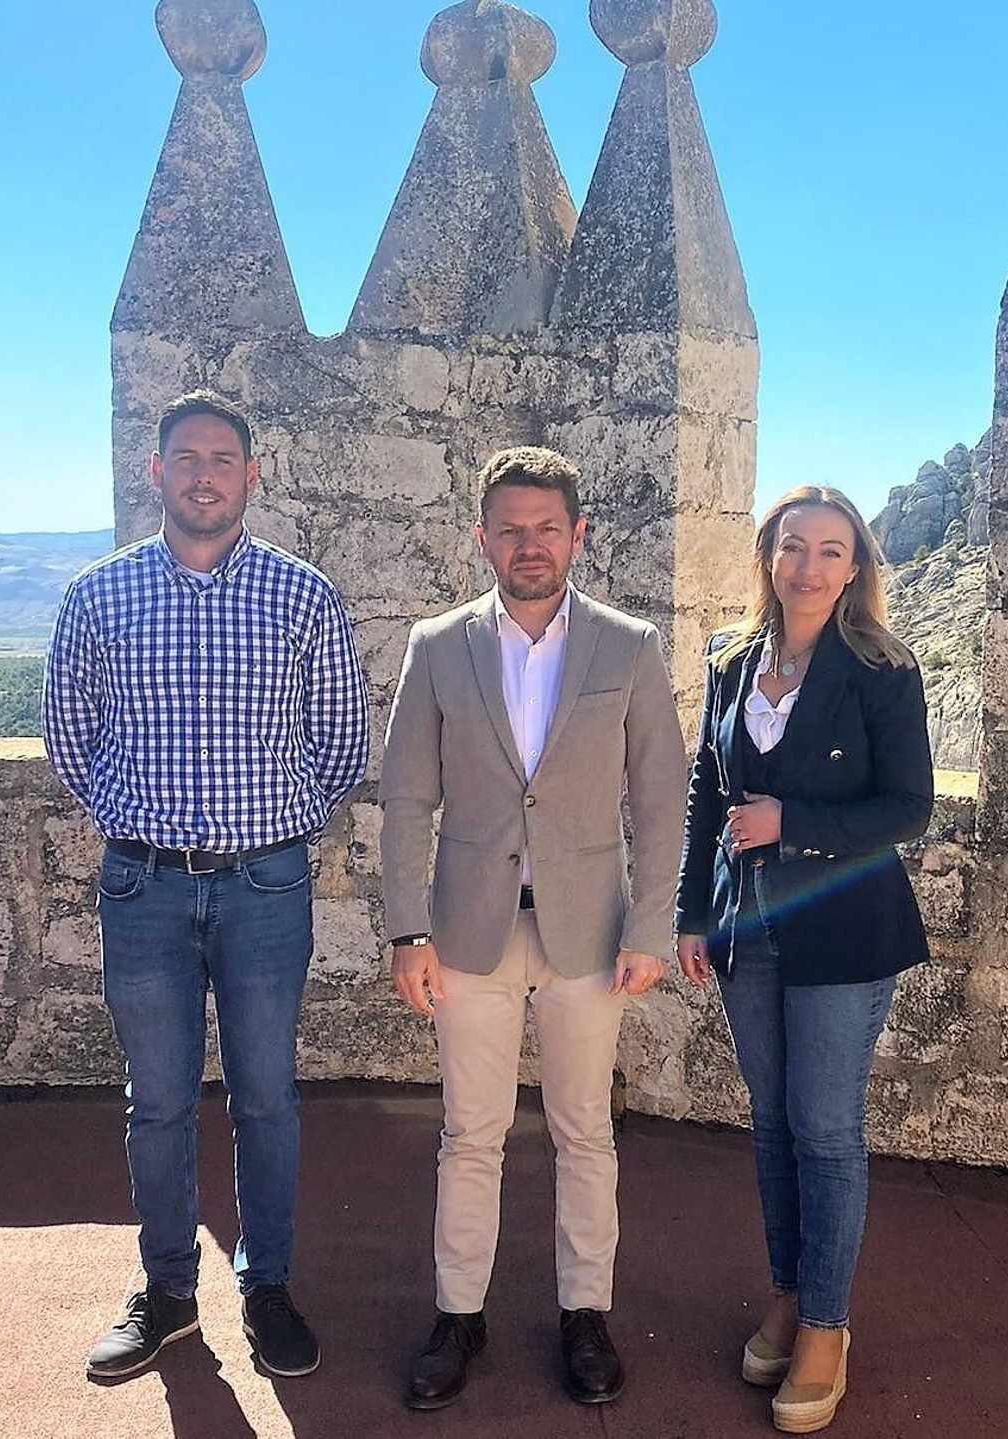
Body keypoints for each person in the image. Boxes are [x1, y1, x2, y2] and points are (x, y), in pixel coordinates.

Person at [43, 389, 368, 1381]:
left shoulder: (303, 596)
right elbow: (70, 739)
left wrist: (270, 823)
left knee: (267, 1096)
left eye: (223, 458)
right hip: (142, 887)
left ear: (251, 475)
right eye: (185, 456)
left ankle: (267, 1286)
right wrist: (136, 816)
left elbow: (341, 745)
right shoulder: (98, 597)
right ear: (156, 471)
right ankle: (169, 1291)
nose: (204, 474)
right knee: (157, 1102)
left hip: (266, 885)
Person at [379, 446, 687, 1410]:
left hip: (588, 934)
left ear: (578, 534)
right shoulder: (438, 645)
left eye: (547, 527)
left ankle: (584, 1313)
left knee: (584, 1130)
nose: (529, 544)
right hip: (467, 932)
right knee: (469, 1132)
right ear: (482, 537)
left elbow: (663, 798)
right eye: (510, 528)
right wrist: (405, 929)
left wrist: (650, 925)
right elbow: (405, 796)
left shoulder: (629, 646)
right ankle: (457, 1315)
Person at [675, 485, 933, 1435]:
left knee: (823, 1127)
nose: (808, 566)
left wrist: (793, 823)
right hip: (748, 929)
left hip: (843, 930)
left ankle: (827, 1326)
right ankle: (787, 1294)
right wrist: (691, 915)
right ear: (768, 556)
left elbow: (909, 807)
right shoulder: (730, 658)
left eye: (830, 550)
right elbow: (707, 790)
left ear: (855, 566)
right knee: (773, 1125)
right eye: (793, 546)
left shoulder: (883, 668)